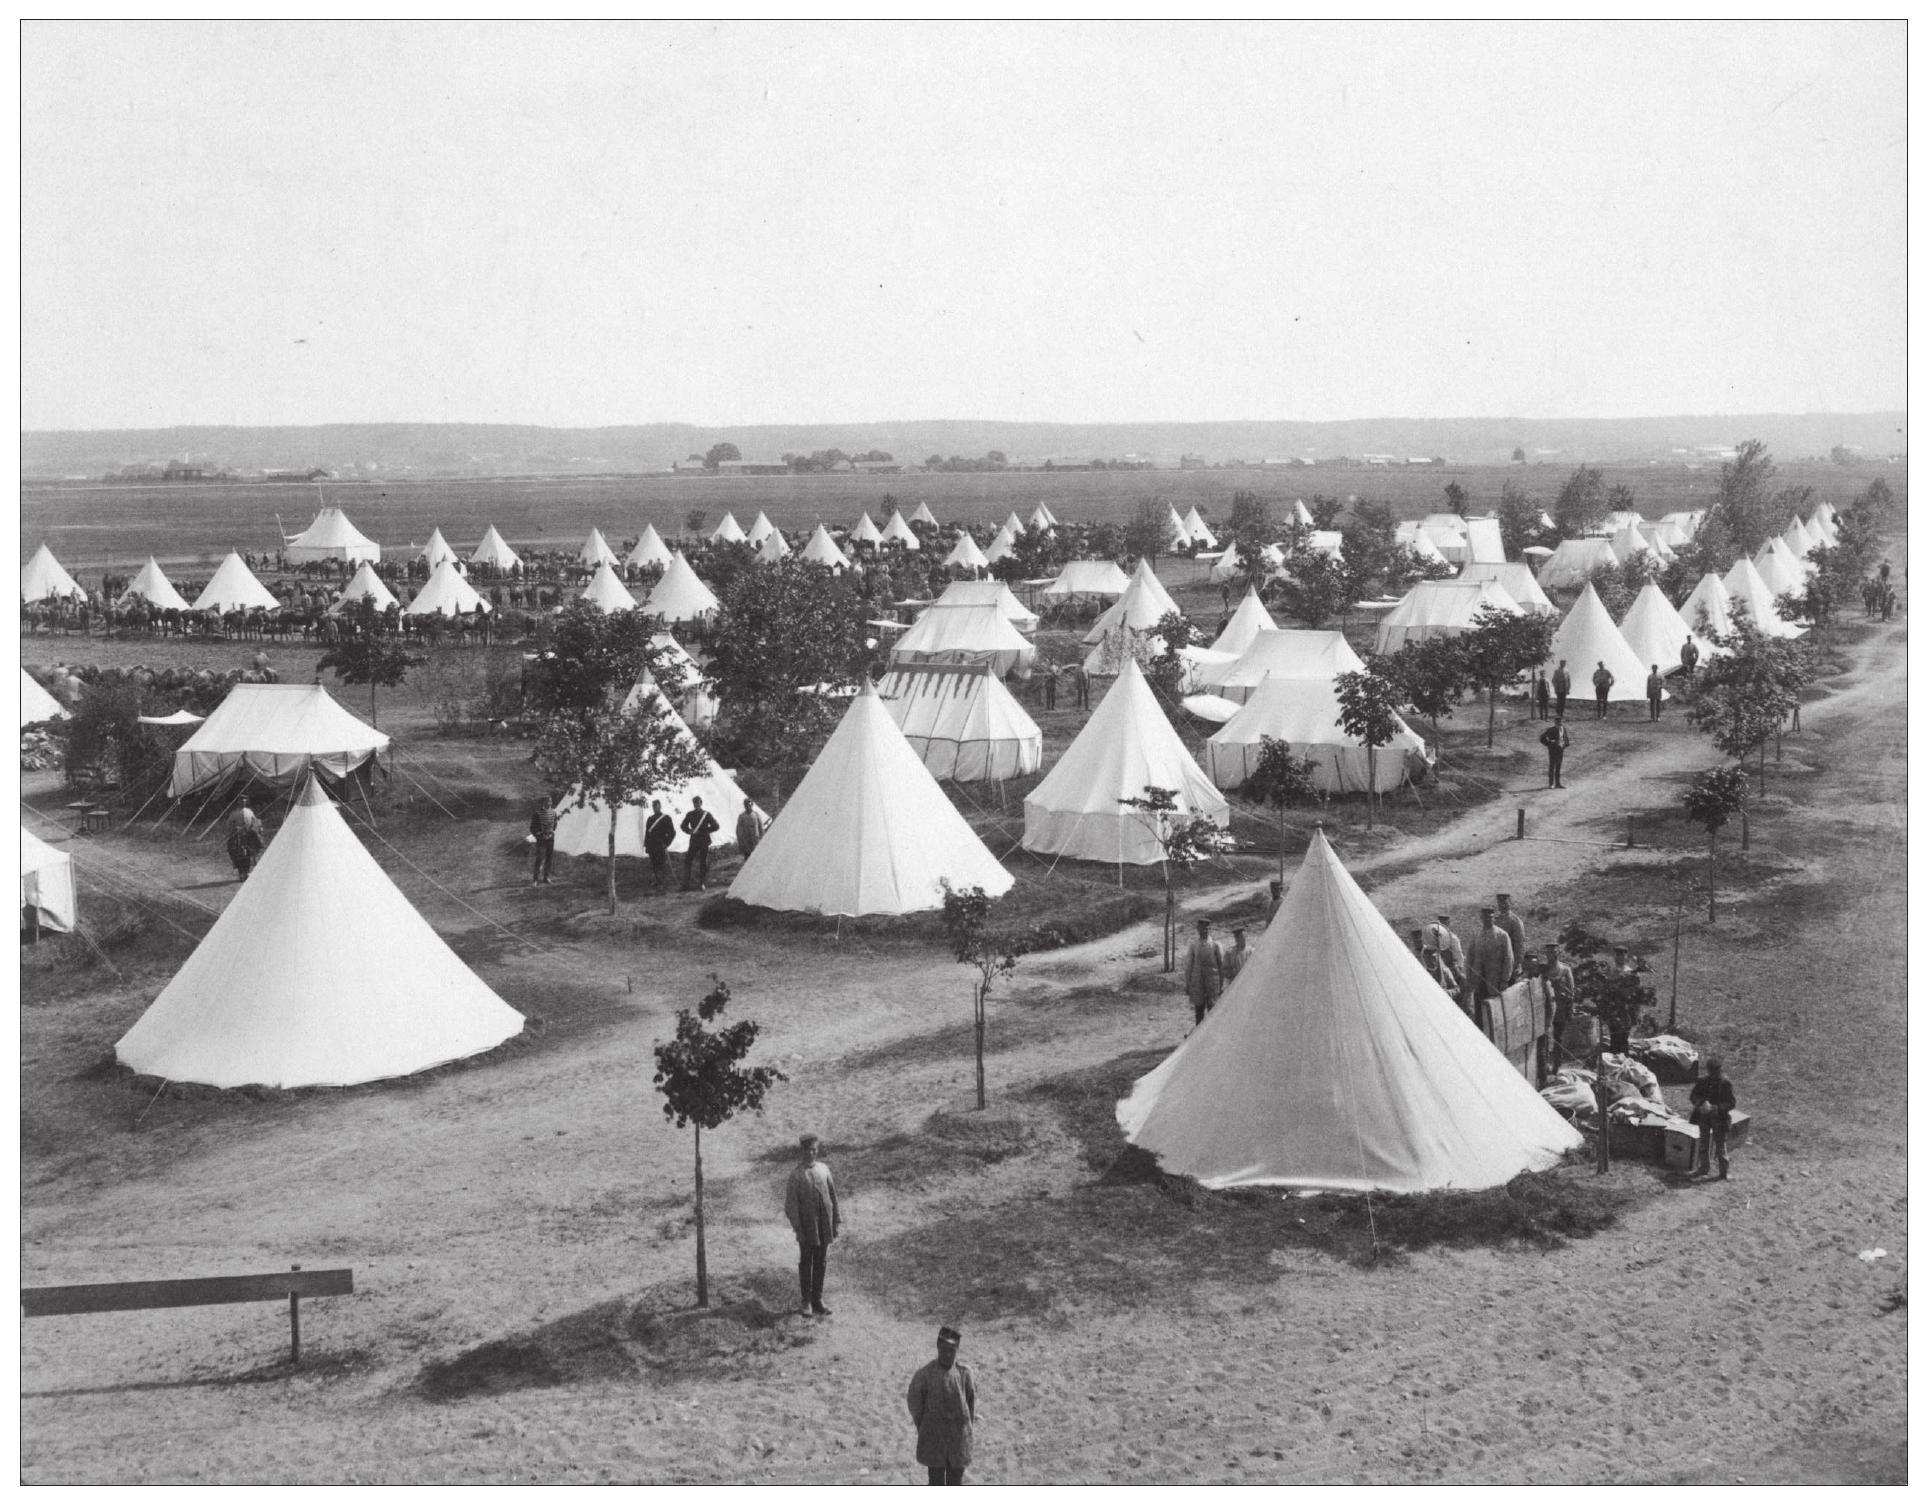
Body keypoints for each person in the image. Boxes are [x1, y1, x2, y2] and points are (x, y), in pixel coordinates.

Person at [908, 1326, 977, 1486]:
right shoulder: (925, 1374)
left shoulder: (964, 1374)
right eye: (944, 1350)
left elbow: (971, 1402)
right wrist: (922, 1426)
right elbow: (915, 1402)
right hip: (933, 1439)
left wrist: (967, 1429)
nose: (947, 1354)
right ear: (938, 1347)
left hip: (958, 1440)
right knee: (936, 1480)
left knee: (955, 1480)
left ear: (957, 1350)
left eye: (951, 1350)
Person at [783, 1134, 842, 1316]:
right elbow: (791, 1206)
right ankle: (806, 1301)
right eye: (808, 1150)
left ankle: (818, 1299)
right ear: (802, 1151)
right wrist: (798, 1229)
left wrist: (835, 1222)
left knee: (821, 1261)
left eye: (815, 1149)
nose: (812, 1153)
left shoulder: (824, 1169)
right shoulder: (796, 1175)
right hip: (807, 1229)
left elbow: (833, 1196)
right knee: (806, 1262)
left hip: (824, 1225)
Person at [1688, 1056, 1737, 1180]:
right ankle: (1703, 1168)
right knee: (1704, 1144)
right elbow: (1693, 1096)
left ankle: (1724, 1173)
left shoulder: (1726, 1083)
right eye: (1711, 1071)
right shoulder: (1702, 1081)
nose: (1713, 1073)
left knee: (1721, 1146)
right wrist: (1700, 1103)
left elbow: (1731, 1103)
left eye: (1715, 1071)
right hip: (1704, 1117)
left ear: (1720, 1070)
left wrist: (1717, 1108)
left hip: (1719, 1119)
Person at [1467, 906, 1515, 1022]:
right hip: (1479, 982)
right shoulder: (1476, 935)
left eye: (1490, 917)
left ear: (1494, 918)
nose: (1487, 919)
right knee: (1479, 1015)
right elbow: (1469, 957)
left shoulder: (1502, 935)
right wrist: (1469, 977)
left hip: (1495, 982)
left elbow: (1509, 958)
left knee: (1494, 1016)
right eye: (1484, 917)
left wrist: (1504, 980)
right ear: (1481, 918)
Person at [1184, 918, 1225, 1026]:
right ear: (1198, 929)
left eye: (1206, 928)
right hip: (1198, 982)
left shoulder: (1215, 945)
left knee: (1213, 1010)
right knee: (1199, 1010)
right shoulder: (1193, 945)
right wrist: (1188, 984)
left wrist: (1222, 984)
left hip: (1212, 982)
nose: (1204, 931)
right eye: (1202, 928)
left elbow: (1221, 966)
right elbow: (1189, 966)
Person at [679, 795, 720, 891]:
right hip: (694, 840)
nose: (696, 804)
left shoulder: (706, 814)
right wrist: (690, 831)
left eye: (698, 802)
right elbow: (683, 825)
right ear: (693, 804)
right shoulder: (690, 814)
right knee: (688, 860)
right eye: (695, 803)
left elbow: (716, 826)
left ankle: (702, 883)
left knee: (703, 862)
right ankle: (685, 884)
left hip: (704, 840)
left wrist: (705, 831)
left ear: (701, 803)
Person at [1412, 928, 1462, 1004]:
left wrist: (1446, 993)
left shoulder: (1444, 970)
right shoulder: (1416, 970)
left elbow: (1456, 989)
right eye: (1428, 957)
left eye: (1433, 957)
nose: (1432, 960)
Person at [642, 799, 677, 894]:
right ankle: (658, 882)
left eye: (657, 806)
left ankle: (662, 885)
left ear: (660, 806)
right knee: (654, 865)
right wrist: (646, 845)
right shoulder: (650, 819)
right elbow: (647, 833)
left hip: (660, 845)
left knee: (660, 865)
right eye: (653, 806)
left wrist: (666, 843)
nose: (655, 808)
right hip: (652, 846)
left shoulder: (666, 818)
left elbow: (672, 832)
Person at [226, 800, 266, 880]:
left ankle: (245, 873)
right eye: (241, 802)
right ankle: (242, 873)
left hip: (248, 836)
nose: (242, 803)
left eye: (243, 802)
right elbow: (229, 824)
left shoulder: (247, 811)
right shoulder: (236, 813)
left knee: (247, 853)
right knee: (236, 853)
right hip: (237, 837)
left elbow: (255, 822)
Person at [1428, 914, 1467, 987]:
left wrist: (1457, 969)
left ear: (1448, 923)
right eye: (1440, 924)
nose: (1442, 926)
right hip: (1440, 970)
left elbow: (1459, 957)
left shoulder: (1452, 938)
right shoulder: (1435, 938)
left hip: (1452, 969)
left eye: (1444, 923)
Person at [1493, 892, 1527, 974]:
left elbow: (1520, 945)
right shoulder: (1495, 920)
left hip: (1510, 963)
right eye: (1500, 902)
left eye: (1504, 902)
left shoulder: (1515, 921)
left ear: (1509, 902)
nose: (1502, 905)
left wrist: (1517, 964)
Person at [529, 793, 558, 885]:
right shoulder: (537, 813)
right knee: (540, 858)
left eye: (550, 801)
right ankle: (535, 879)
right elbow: (532, 827)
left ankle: (546, 877)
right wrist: (538, 834)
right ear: (543, 802)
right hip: (541, 839)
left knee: (549, 858)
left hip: (550, 838)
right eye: (547, 801)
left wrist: (551, 832)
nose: (549, 803)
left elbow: (555, 824)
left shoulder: (554, 812)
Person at [1540, 718, 1571, 788]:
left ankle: (1558, 783)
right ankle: (1551, 784)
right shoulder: (1551, 730)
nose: (1560, 724)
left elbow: (1565, 738)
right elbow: (1542, 738)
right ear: (1555, 723)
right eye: (1558, 722)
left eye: (1561, 722)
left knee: (1558, 767)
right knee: (1552, 766)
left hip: (1560, 750)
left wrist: (1565, 744)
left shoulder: (1564, 729)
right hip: (1553, 750)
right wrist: (1549, 743)